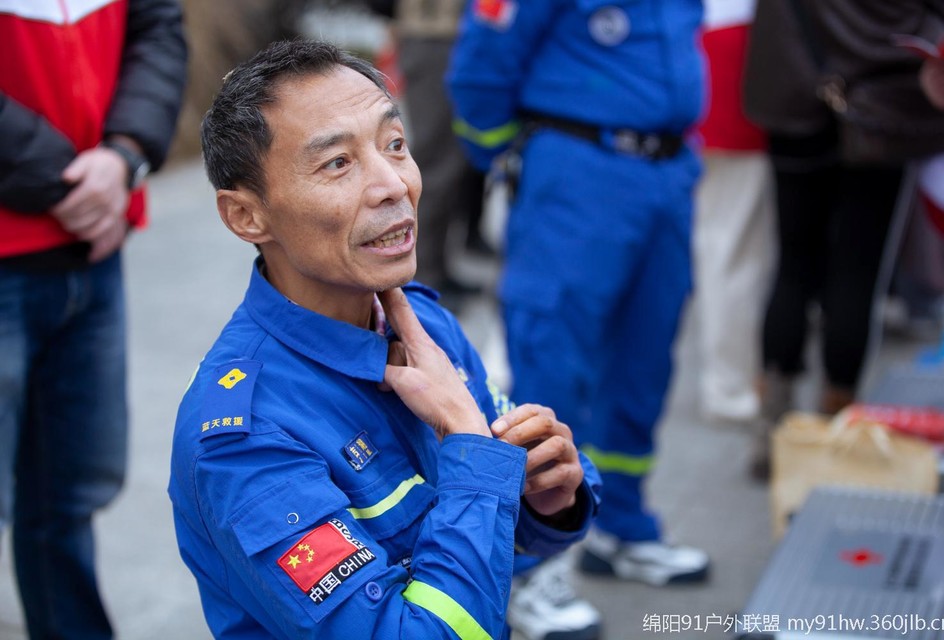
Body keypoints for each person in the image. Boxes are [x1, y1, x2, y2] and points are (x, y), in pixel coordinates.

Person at [167, 39, 601, 640]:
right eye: (337, 164)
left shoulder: (418, 322)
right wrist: (471, 446)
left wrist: (546, 502)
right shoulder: (246, 437)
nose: (393, 184)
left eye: (394, 144)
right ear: (246, 216)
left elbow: (491, 535)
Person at [447, 2, 711, 637]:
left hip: (666, 175)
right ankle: (523, 569)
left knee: (644, 361)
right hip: (577, 176)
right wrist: (510, 158)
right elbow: (482, 67)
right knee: (553, 367)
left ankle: (621, 525)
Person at [0, 1, 186, 637]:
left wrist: (124, 154)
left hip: (91, 248)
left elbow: (156, 25)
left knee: (66, 498)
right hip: (55, 220)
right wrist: (69, 183)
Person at [742, 0, 944, 479]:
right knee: (858, 270)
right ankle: (833, 430)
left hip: (794, 93)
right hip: (883, 100)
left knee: (793, 263)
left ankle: (772, 426)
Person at [372, 0, 493, 312]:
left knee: (449, 162)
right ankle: (421, 278)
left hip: (447, 39)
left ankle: (435, 269)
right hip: (433, 39)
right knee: (437, 164)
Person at [693, 0, 775, 424]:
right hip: (737, 67)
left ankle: (728, 385)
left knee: (715, 246)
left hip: (691, 66)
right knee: (733, 253)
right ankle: (729, 388)